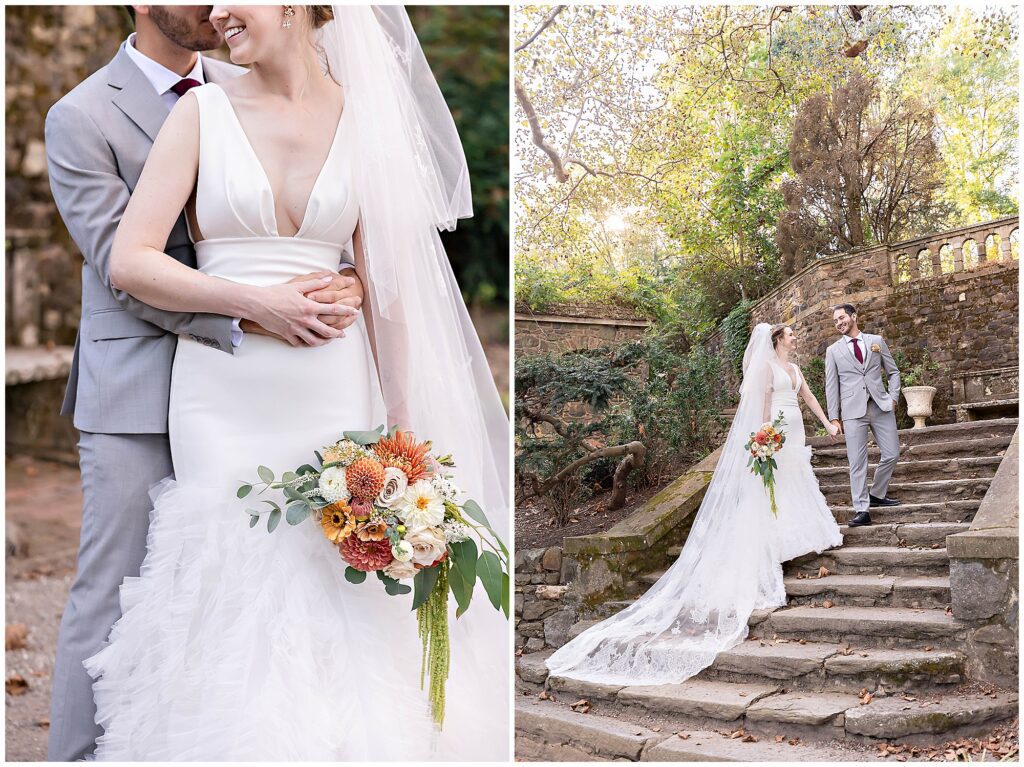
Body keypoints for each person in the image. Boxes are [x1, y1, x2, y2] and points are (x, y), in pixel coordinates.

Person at [71, 5, 509, 761]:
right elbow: (131, 259)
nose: (216, 12)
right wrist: (251, 301)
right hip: (225, 389)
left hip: (332, 386)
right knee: (229, 571)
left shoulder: (367, 121)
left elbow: (389, 288)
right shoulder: (200, 112)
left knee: (331, 570)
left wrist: (404, 432)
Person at [44, 6, 364, 760]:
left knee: (247, 597)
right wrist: (254, 314)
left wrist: (345, 282)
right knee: (117, 592)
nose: (213, 6)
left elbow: (308, 218)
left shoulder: (240, 83)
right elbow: (121, 272)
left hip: (262, 373)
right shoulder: (81, 115)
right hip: (139, 388)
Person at [545, 323, 842, 686]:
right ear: (777, 339)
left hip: (796, 431)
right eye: (791, 334)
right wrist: (764, 436)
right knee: (772, 490)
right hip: (775, 433)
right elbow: (762, 406)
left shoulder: (795, 370)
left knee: (796, 484)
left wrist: (827, 423)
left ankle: (800, 537)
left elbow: (809, 398)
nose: (796, 338)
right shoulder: (765, 368)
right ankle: (775, 543)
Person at [825, 303, 902, 527]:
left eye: (842, 318)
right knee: (857, 462)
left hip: (880, 405)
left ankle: (877, 493)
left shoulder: (876, 341)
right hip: (852, 411)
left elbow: (893, 371)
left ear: (854, 317)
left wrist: (893, 397)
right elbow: (832, 386)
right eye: (835, 321)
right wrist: (834, 417)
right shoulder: (833, 351)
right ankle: (862, 509)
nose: (839, 323)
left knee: (892, 453)